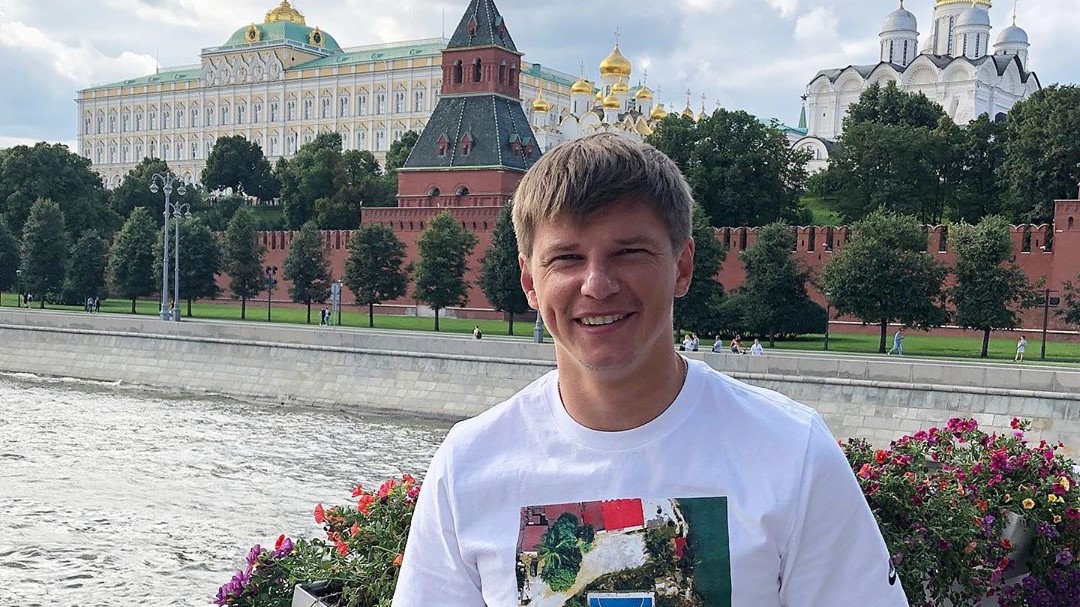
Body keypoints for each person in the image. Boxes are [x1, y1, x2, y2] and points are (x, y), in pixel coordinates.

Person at [392, 134, 907, 607]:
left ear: (682, 266)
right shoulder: (468, 465)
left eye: (629, 252)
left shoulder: (791, 451)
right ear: (530, 281)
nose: (597, 284)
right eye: (567, 258)